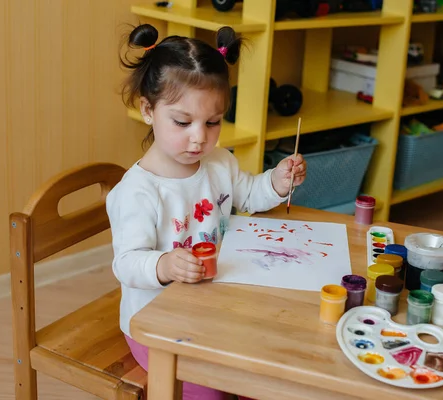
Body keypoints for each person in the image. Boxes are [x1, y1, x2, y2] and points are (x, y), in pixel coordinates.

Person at [106, 23, 308, 400]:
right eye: (183, 122)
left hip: (216, 310)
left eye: (213, 122)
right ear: (147, 110)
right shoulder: (137, 192)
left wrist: (278, 182)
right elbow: (127, 263)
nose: (200, 137)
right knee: (215, 391)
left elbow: (248, 195)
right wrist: (164, 265)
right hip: (157, 326)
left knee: (264, 375)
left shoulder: (219, 163)